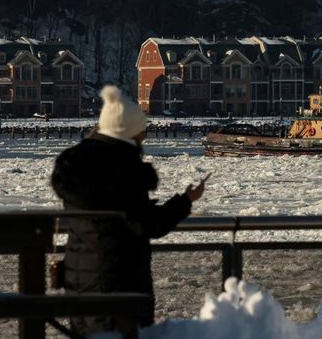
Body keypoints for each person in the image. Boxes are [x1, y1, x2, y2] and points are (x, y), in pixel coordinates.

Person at [51, 85, 206, 335]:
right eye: (141, 130)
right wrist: (185, 201)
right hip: (119, 282)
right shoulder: (121, 170)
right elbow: (146, 224)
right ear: (128, 132)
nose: (144, 135)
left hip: (80, 276)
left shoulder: (75, 166)